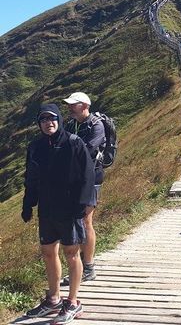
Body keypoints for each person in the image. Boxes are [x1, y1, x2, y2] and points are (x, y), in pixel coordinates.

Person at [22, 104, 95, 323]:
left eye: (52, 118)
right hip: (47, 209)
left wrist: (81, 204)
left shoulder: (73, 143)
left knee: (71, 253)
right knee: (47, 252)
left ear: (59, 120)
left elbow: (88, 175)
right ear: (39, 124)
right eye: (43, 119)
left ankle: (73, 302)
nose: (48, 123)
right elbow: (31, 178)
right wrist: (28, 204)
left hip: (69, 208)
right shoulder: (35, 147)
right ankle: (53, 298)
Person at [60, 92, 106, 286]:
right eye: (70, 104)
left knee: (86, 221)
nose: (70, 107)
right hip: (74, 179)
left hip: (91, 178)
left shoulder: (96, 125)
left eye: (74, 104)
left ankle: (88, 268)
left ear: (85, 105)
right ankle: (79, 267)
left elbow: (86, 152)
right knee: (77, 220)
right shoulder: (71, 124)